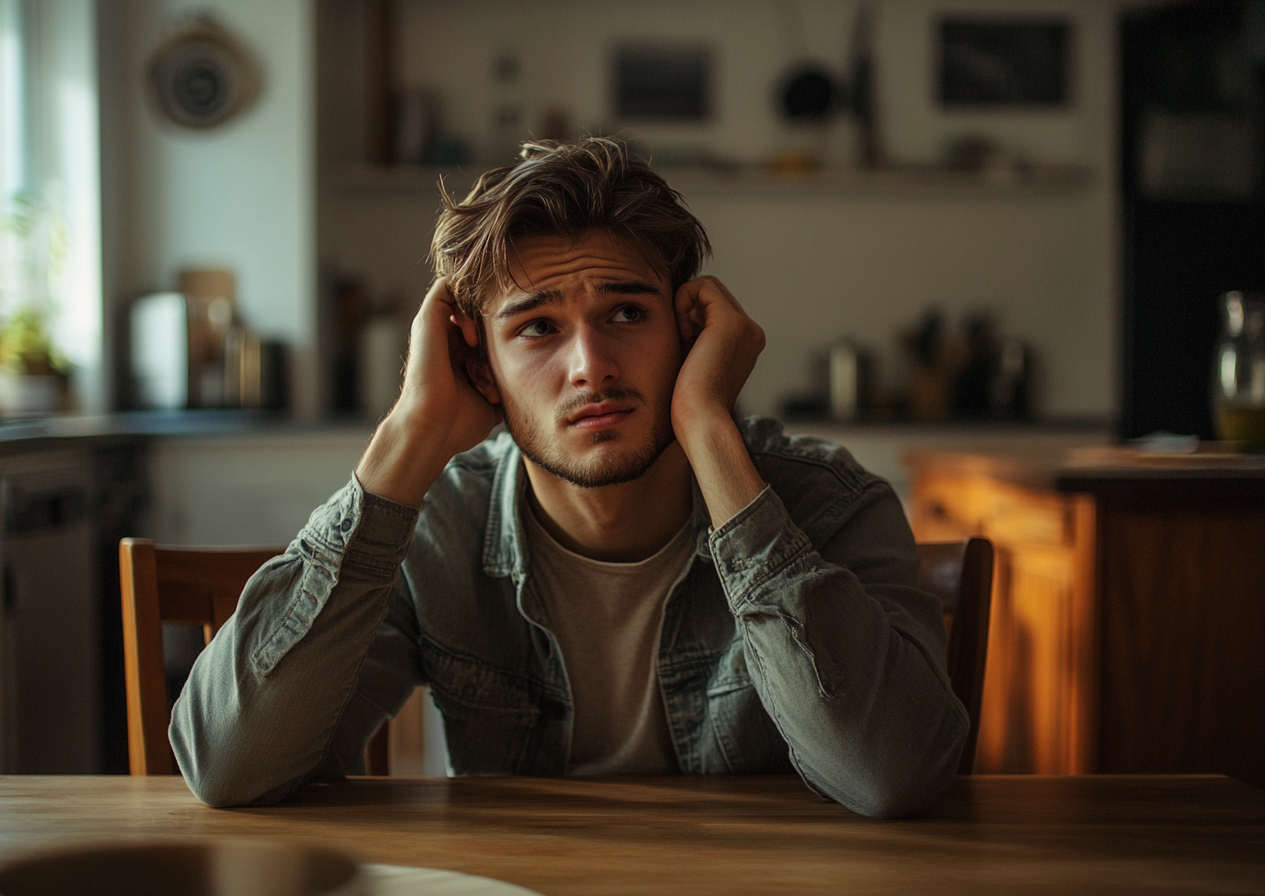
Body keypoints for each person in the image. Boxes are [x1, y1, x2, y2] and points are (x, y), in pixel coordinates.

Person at [171, 137, 967, 818]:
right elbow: (232, 766)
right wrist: (409, 434)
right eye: (538, 328)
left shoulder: (829, 504)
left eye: (626, 314)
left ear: (690, 333)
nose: (591, 367)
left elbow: (891, 776)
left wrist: (709, 430)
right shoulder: (439, 526)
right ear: (478, 367)